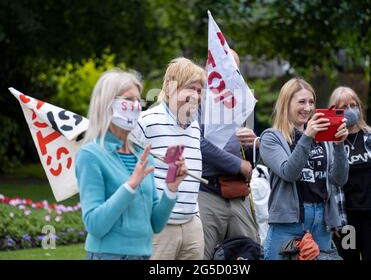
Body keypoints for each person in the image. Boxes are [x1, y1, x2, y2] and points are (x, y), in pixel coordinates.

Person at [75, 69, 187, 260]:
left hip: (143, 255)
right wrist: (130, 185)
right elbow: (94, 225)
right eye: (129, 99)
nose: (136, 106)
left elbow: (155, 224)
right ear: (107, 103)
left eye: (138, 100)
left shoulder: (142, 155)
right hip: (108, 255)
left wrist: (171, 189)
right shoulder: (90, 155)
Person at [259, 78, 349, 260]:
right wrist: (307, 137)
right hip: (288, 221)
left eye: (311, 102)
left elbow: (339, 180)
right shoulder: (271, 137)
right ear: (286, 103)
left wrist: (339, 146)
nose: (307, 108)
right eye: (301, 102)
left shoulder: (322, 138)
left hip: (321, 219)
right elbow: (289, 173)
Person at [132, 57, 206, 260]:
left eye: (199, 91)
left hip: (192, 225)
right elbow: (127, 166)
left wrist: (195, 216)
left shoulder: (194, 126)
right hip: (158, 227)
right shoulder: (147, 121)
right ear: (170, 87)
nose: (196, 96)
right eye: (190, 88)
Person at [198, 49, 260, 260]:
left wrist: (252, 145)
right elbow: (199, 144)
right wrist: (237, 164)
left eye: (234, 68)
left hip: (238, 193)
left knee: (248, 253)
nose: (229, 72)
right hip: (206, 192)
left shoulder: (242, 103)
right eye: (224, 65)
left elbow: (250, 161)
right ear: (209, 68)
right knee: (202, 257)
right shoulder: (196, 99)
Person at [329, 86, 371, 260]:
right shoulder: (329, 143)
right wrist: (331, 220)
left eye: (354, 105)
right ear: (335, 110)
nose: (350, 110)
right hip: (346, 219)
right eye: (344, 107)